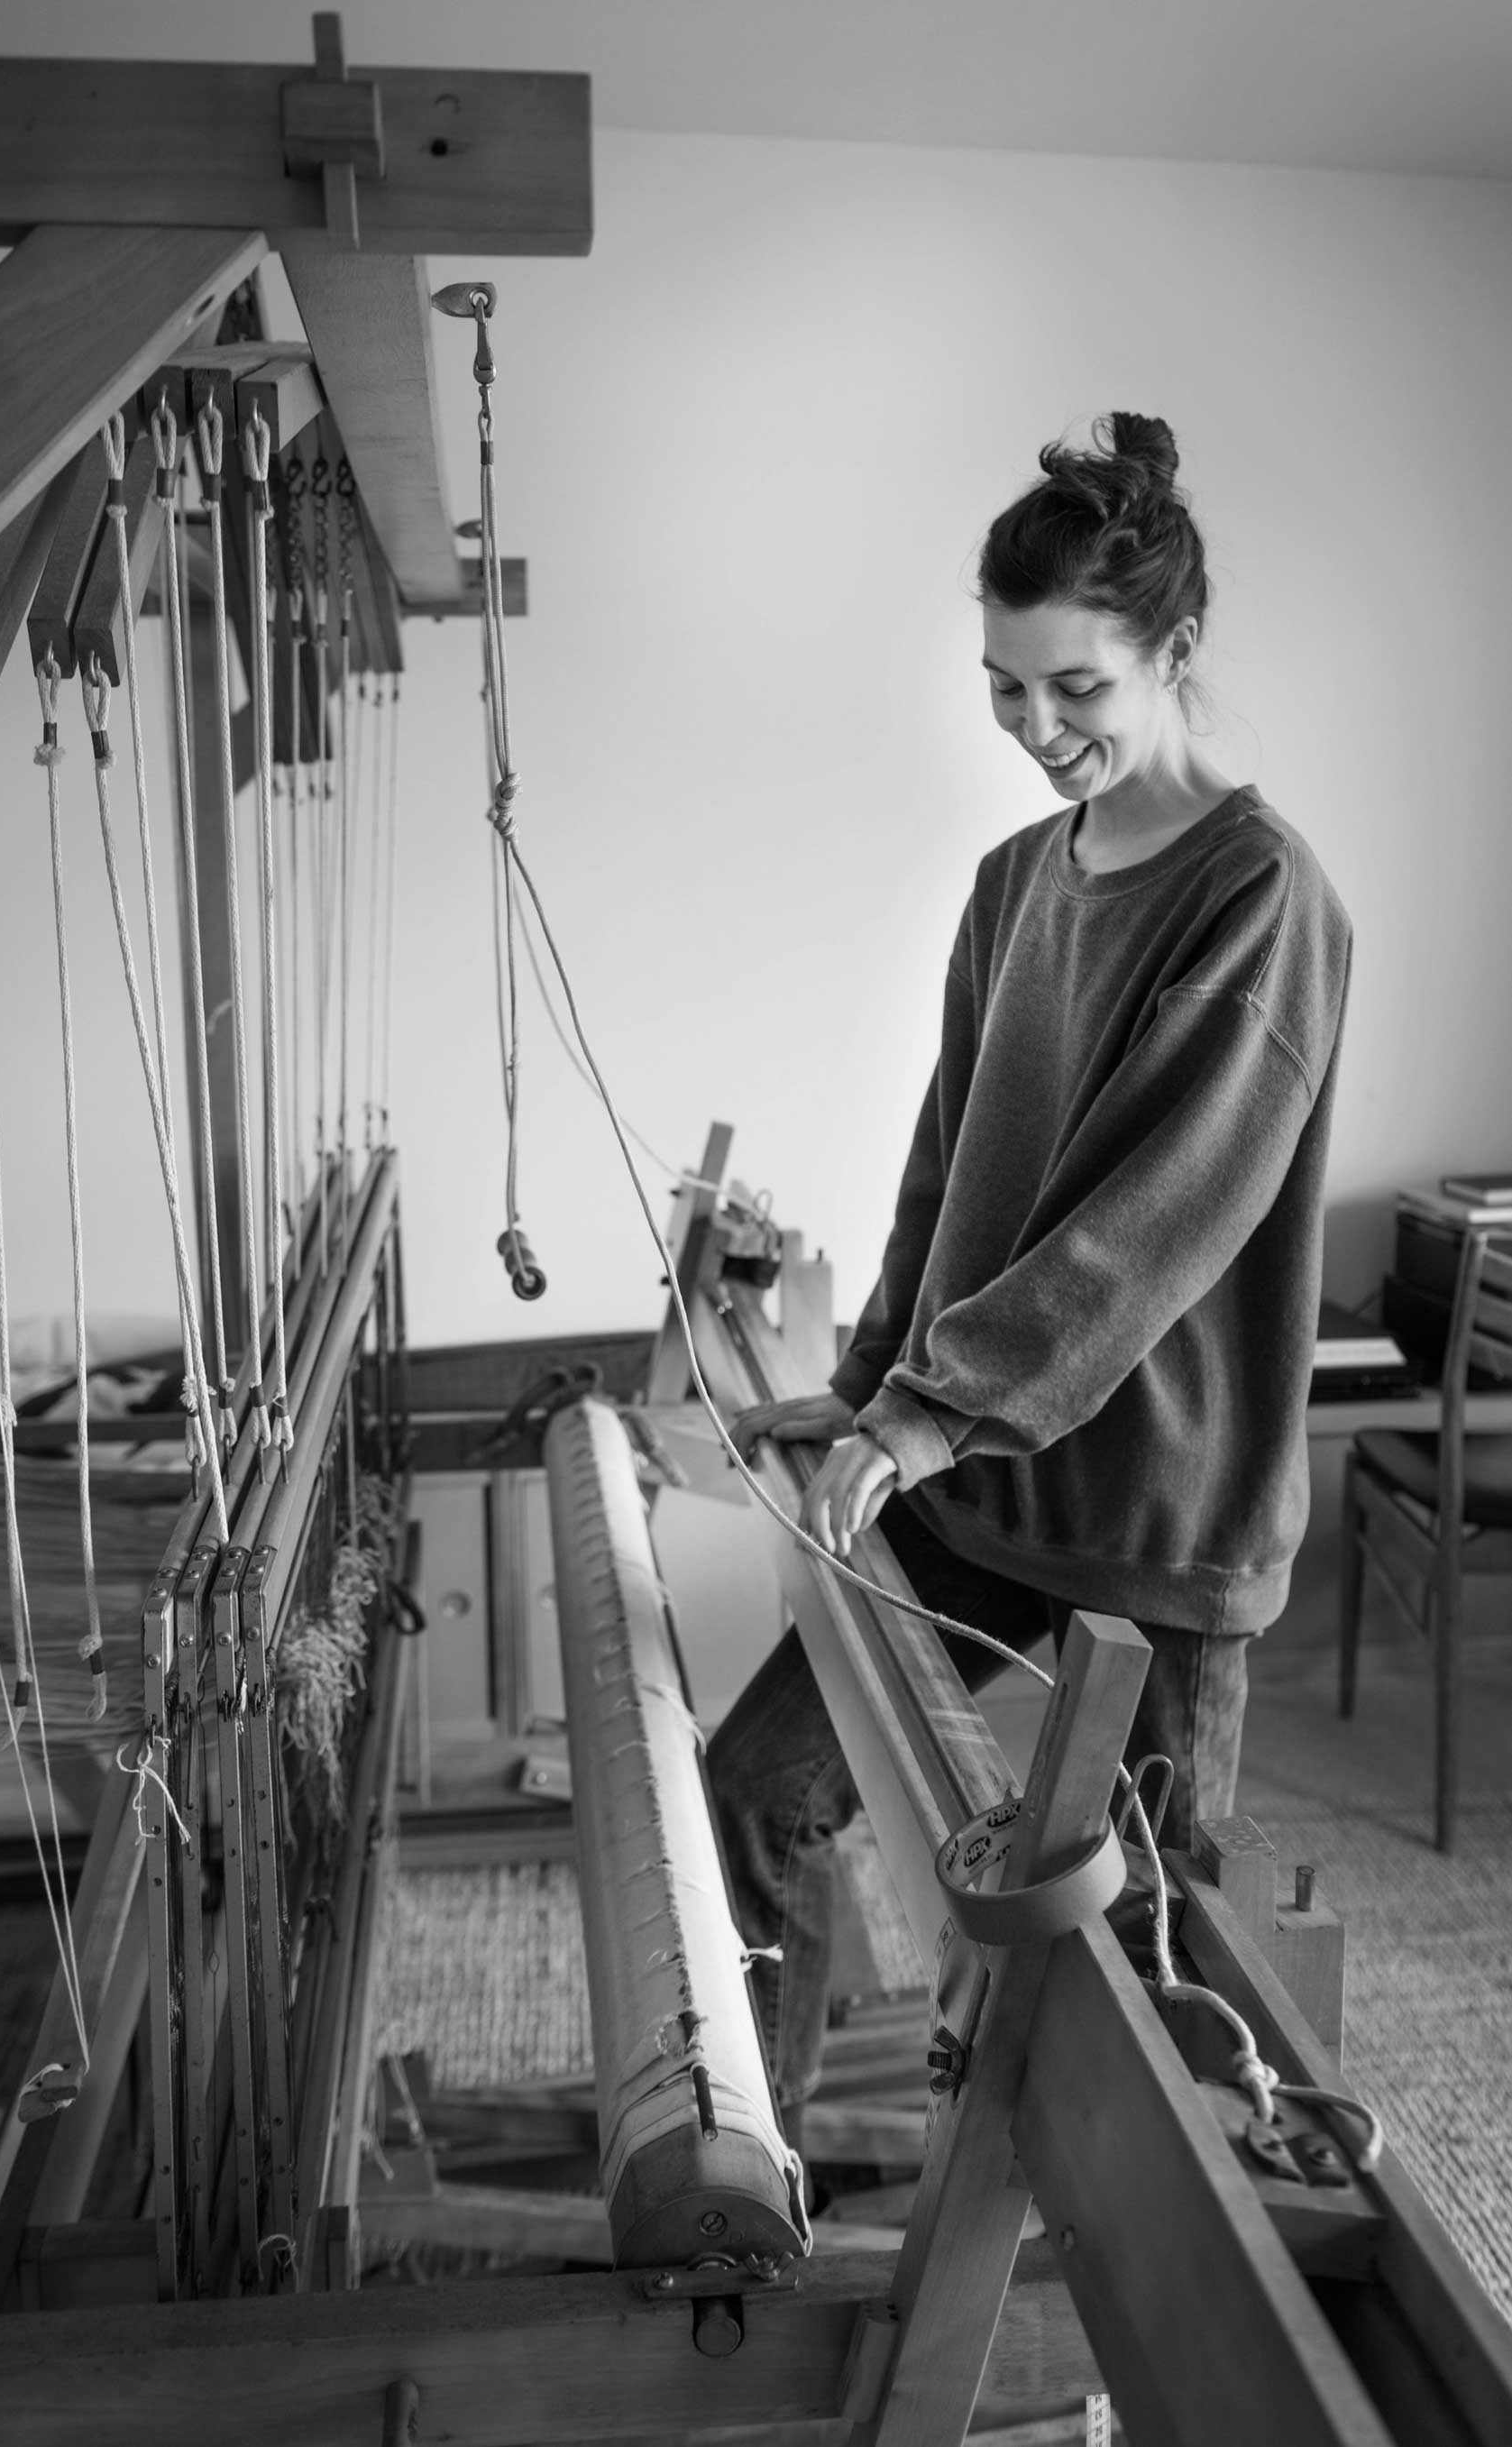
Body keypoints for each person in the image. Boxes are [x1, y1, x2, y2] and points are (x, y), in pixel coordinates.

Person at [708, 409, 1352, 2128]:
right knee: (753, 1789)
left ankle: (1120, 2313)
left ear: (1173, 656)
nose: (1036, 728)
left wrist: (922, 1417)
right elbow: (949, 1169)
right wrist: (857, 1392)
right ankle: (740, 2188)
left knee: (1147, 1960)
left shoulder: (1262, 900)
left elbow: (1144, 1228)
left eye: (1077, 687)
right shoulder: (1015, 883)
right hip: (980, 1473)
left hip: (1154, 1517)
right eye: (1005, 685)